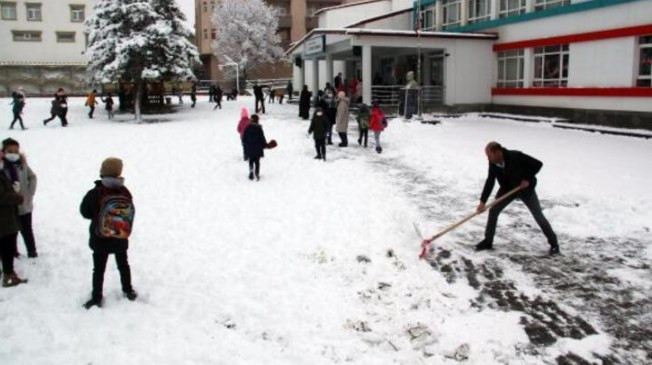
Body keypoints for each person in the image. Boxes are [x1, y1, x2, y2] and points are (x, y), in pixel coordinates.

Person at [475, 142, 560, 255]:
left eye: (489, 155)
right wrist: (482, 201)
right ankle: (488, 241)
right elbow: (490, 181)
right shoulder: (493, 163)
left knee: (538, 215)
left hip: (525, 189)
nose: (488, 158)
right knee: (493, 211)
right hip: (507, 189)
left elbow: (538, 164)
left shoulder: (515, 156)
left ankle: (554, 244)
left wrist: (526, 178)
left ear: (498, 152)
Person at [80, 157, 137, 309]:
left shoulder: (95, 193)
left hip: (101, 238)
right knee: (123, 265)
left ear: (102, 173)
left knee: (98, 269)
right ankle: (128, 290)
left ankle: (97, 297)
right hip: (120, 236)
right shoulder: (125, 191)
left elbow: (84, 212)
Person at [2, 138, 37, 258]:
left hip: (24, 205)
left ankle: (32, 251)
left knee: (27, 229)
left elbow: (32, 177)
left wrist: (30, 193)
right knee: (12, 231)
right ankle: (13, 252)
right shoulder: (2, 168)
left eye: (16, 151)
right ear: (3, 151)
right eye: (10, 151)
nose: (13, 154)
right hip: (8, 208)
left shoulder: (22, 164)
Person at [0, 148, 27, 287]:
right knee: (7, 246)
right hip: (4, 219)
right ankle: (9, 276)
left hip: (6, 217)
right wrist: (17, 198)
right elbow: (2, 196)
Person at [242, 114, 268, 181]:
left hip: (250, 148)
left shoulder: (247, 128)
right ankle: (257, 173)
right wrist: (265, 145)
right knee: (257, 162)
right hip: (258, 148)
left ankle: (251, 172)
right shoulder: (259, 128)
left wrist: (246, 145)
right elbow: (262, 138)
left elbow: (244, 138)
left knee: (251, 161)